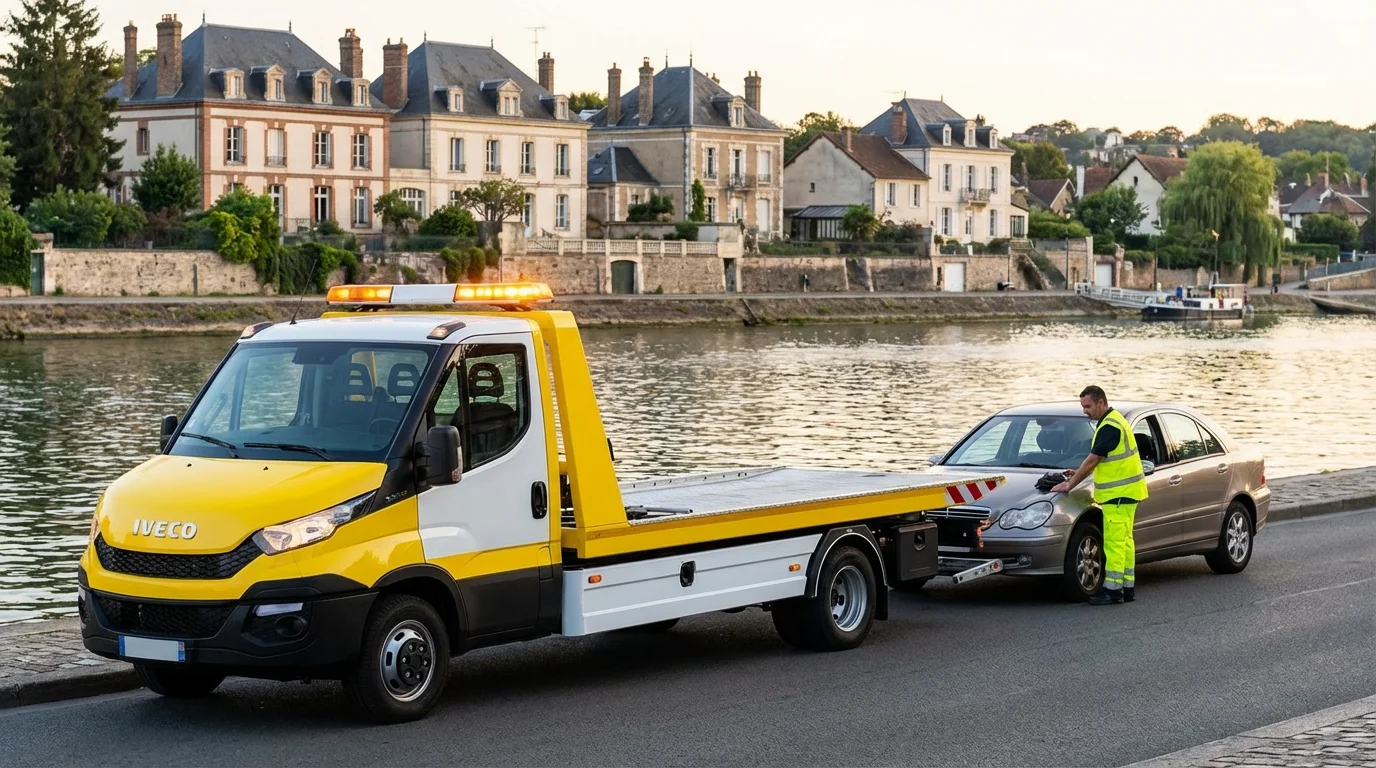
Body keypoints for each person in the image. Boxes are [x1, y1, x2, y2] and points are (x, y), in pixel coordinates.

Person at [1051, 386, 1149, 605]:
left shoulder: (1109, 427)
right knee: (1125, 542)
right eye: (1083, 406)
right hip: (1128, 494)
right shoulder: (1115, 421)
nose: (1085, 411)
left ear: (1101, 403)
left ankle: (1112, 591)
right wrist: (1077, 472)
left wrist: (1070, 484)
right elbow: (1106, 461)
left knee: (1114, 543)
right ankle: (1126, 587)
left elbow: (1094, 459)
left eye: (1088, 406)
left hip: (1119, 496)